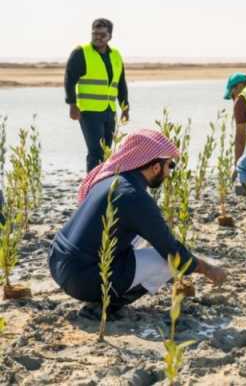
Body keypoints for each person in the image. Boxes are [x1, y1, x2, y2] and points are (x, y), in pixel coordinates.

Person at [48, 129, 226, 319]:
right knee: (168, 264)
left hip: (58, 261)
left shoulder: (110, 178)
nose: (169, 173)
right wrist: (208, 269)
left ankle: (108, 289)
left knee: (143, 234)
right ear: (156, 167)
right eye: (169, 165)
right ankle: (106, 305)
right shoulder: (134, 196)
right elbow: (173, 253)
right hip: (83, 279)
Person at [65, 18, 131, 172]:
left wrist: (125, 107)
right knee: (95, 152)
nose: (97, 37)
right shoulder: (81, 53)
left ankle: (103, 184)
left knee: (108, 152)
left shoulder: (116, 55)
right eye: (95, 34)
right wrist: (72, 104)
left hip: (109, 111)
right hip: (89, 112)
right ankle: (91, 189)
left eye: (102, 34)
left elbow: (120, 83)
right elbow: (69, 79)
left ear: (110, 36)